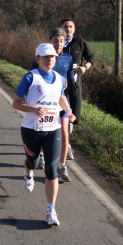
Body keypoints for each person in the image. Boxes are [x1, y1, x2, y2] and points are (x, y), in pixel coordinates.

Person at [12, 43, 76, 226]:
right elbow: (16, 103)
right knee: (33, 161)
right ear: (37, 59)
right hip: (31, 128)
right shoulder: (30, 78)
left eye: (52, 57)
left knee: (51, 169)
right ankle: (28, 171)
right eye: (45, 56)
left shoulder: (59, 78)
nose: (49, 59)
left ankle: (50, 210)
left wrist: (68, 111)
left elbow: (60, 96)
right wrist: (33, 109)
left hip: (53, 128)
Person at [30, 28, 76, 182]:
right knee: (45, 130)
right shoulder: (41, 58)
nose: (58, 43)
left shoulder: (68, 58)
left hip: (61, 100)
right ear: (49, 41)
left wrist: (71, 104)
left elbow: (70, 80)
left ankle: (61, 165)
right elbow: (33, 81)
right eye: (55, 40)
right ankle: (41, 154)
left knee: (64, 132)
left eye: (61, 41)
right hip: (45, 102)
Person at [61, 19, 94, 160]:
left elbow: (91, 57)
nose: (68, 29)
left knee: (74, 118)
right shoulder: (57, 42)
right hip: (60, 86)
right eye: (65, 27)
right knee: (63, 116)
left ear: (74, 29)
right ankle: (66, 145)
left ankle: (65, 142)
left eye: (70, 27)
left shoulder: (80, 42)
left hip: (75, 84)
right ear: (61, 28)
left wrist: (85, 68)